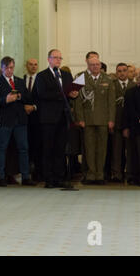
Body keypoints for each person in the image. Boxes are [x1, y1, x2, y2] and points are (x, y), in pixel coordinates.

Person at [34, 49, 78, 188]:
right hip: (48, 118)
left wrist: (73, 94)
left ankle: (60, 177)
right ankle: (49, 178)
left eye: (60, 58)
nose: (58, 60)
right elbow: (42, 94)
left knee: (60, 149)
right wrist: (62, 93)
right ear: (49, 59)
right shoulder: (42, 76)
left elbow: (70, 92)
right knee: (48, 149)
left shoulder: (66, 75)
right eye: (55, 57)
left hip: (63, 117)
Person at [0, 56, 36, 187]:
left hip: (20, 120)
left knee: (23, 148)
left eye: (12, 67)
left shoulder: (19, 81)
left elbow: (28, 97)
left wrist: (20, 96)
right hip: (4, 121)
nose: (10, 70)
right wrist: (6, 100)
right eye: (7, 68)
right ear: (2, 68)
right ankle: (1, 177)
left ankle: (25, 176)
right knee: (2, 149)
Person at [74, 52, 115, 185]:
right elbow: (77, 101)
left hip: (103, 120)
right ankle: (91, 174)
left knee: (102, 148)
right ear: (88, 65)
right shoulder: (81, 78)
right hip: (87, 119)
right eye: (92, 64)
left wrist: (111, 120)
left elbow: (111, 103)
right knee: (89, 148)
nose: (95, 67)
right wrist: (80, 118)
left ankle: (100, 174)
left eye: (97, 64)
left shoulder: (108, 79)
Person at [110, 63, 136, 183]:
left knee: (130, 151)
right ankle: (117, 174)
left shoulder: (134, 85)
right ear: (116, 72)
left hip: (131, 124)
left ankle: (130, 174)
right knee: (116, 151)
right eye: (119, 71)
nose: (122, 73)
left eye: (124, 70)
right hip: (116, 122)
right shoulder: (112, 85)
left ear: (128, 72)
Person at [23, 58, 41, 181]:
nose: (33, 67)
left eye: (35, 65)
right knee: (25, 146)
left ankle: (37, 173)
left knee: (37, 146)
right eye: (31, 64)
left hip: (37, 118)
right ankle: (25, 172)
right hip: (23, 119)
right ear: (26, 66)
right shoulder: (20, 80)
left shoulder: (41, 80)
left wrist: (34, 107)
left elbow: (43, 98)